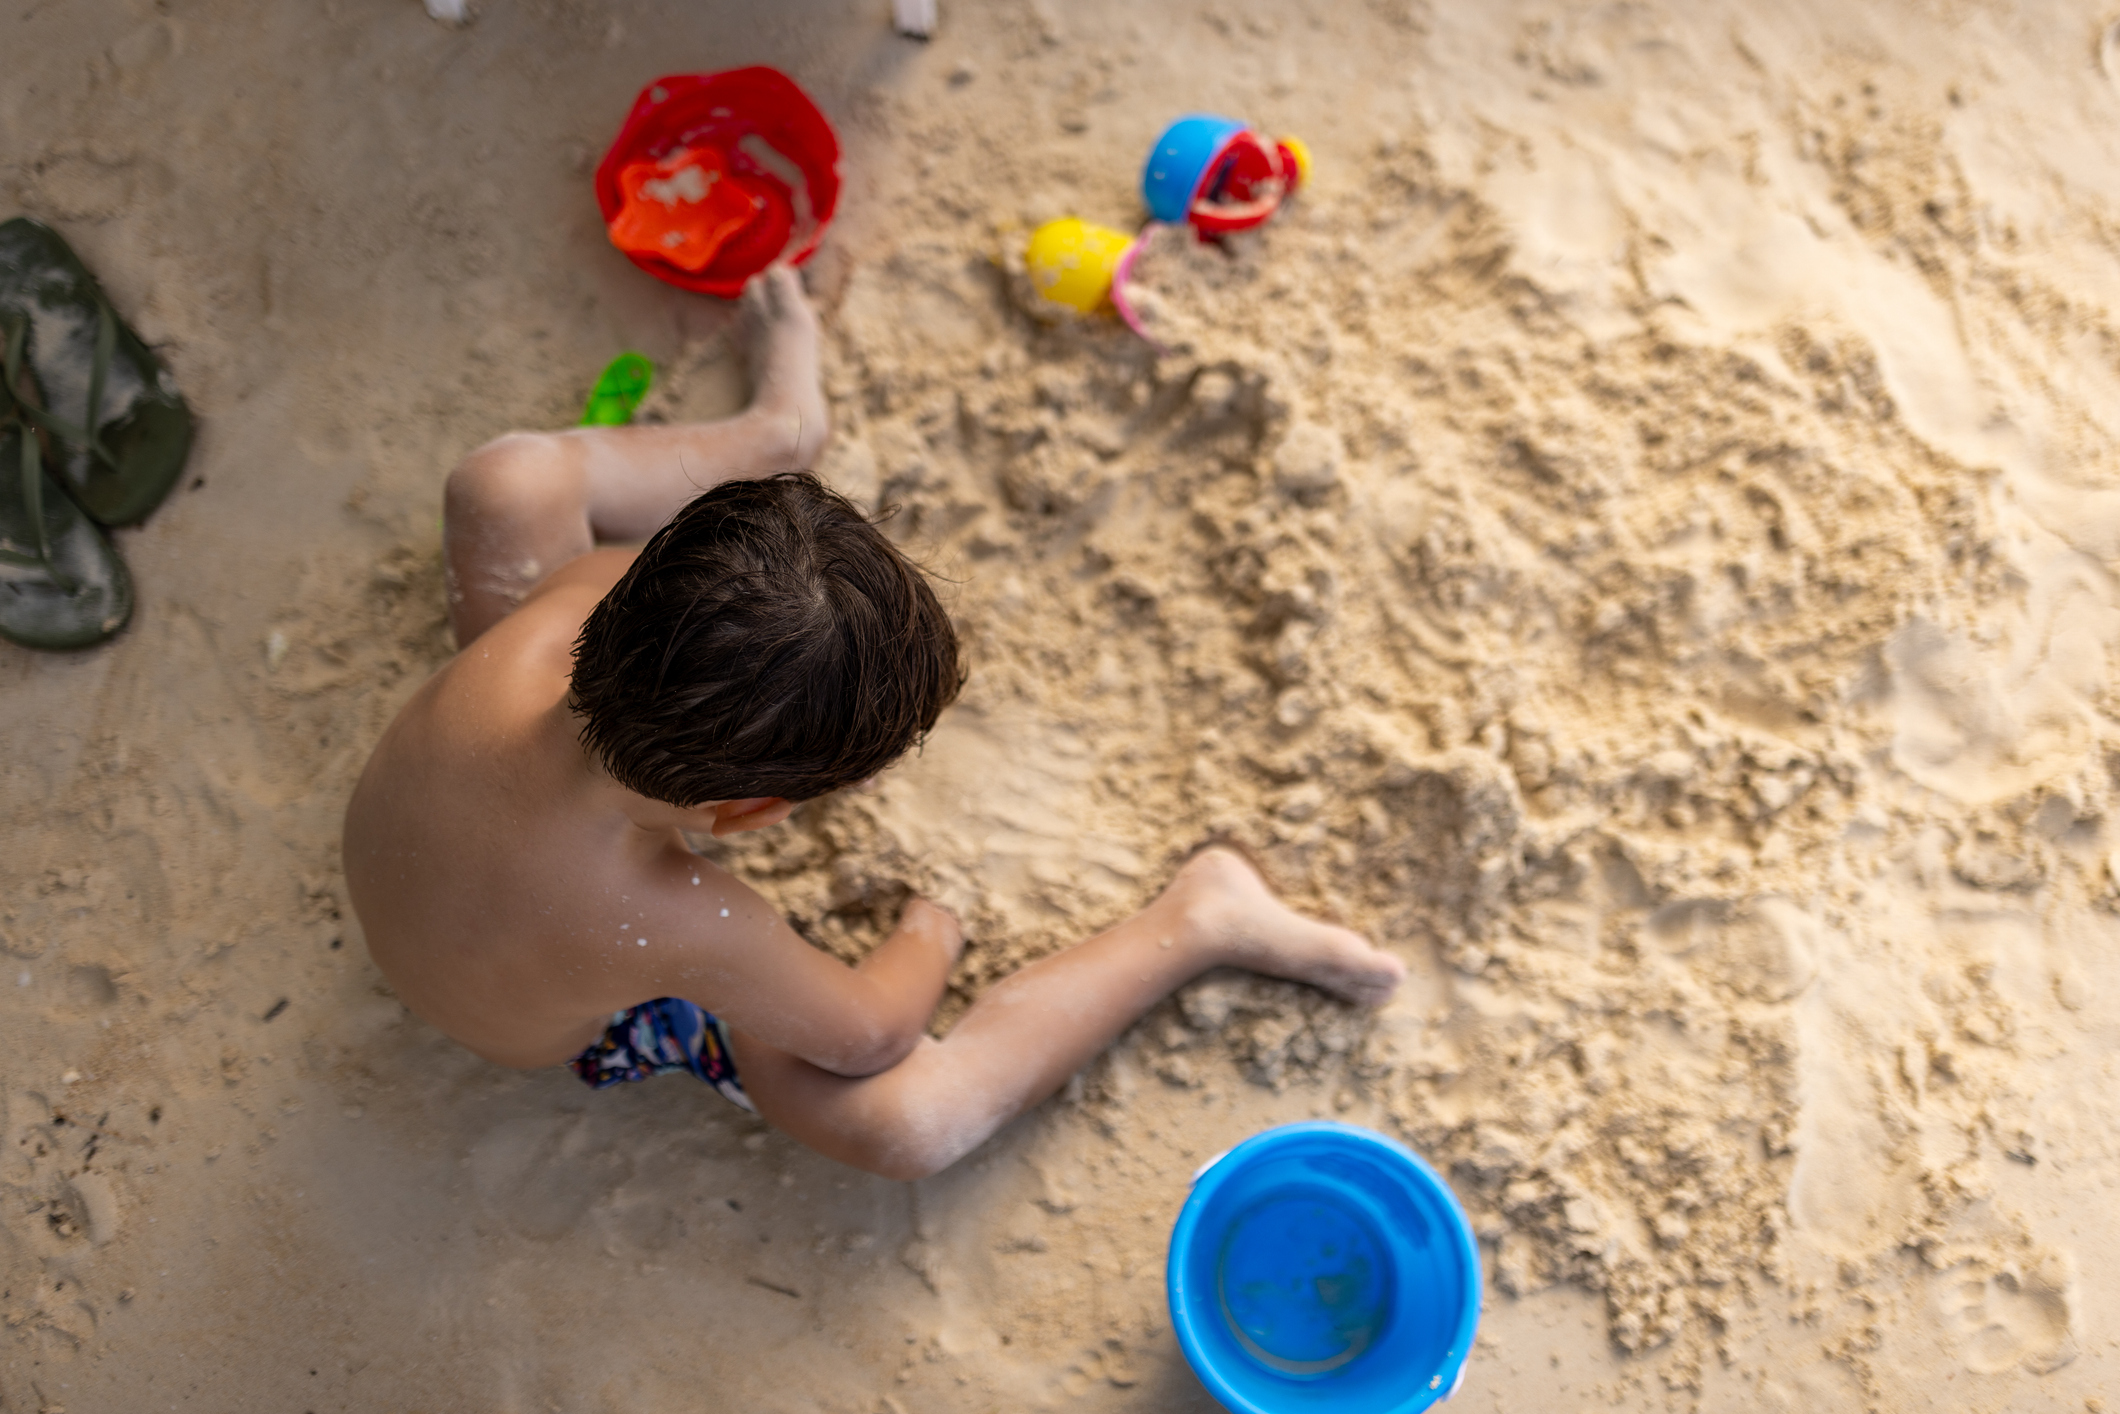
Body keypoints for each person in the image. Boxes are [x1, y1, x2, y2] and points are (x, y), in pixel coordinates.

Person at [342, 267, 1405, 1181]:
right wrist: (932, 922)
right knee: (906, 1122)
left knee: (505, 482)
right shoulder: (676, 917)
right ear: (749, 812)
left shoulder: (565, 605)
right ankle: (1198, 919)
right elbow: (869, 1030)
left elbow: (682, 595)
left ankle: (775, 435)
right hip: (569, 998)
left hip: (456, 841)